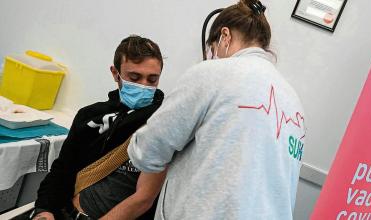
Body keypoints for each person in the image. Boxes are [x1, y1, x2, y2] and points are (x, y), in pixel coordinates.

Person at [126, 1, 307, 219]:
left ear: (224, 36)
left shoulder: (212, 73)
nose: (214, 56)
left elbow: (146, 152)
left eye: (213, 49)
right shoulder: (293, 101)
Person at [25, 35, 166, 220]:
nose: (144, 85)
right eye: (135, 77)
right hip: (66, 211)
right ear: (116, 74)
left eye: (152, 79)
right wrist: (44, 210)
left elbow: (144, 199)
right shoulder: (89, 116)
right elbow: (62, 169)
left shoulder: (164, 121)